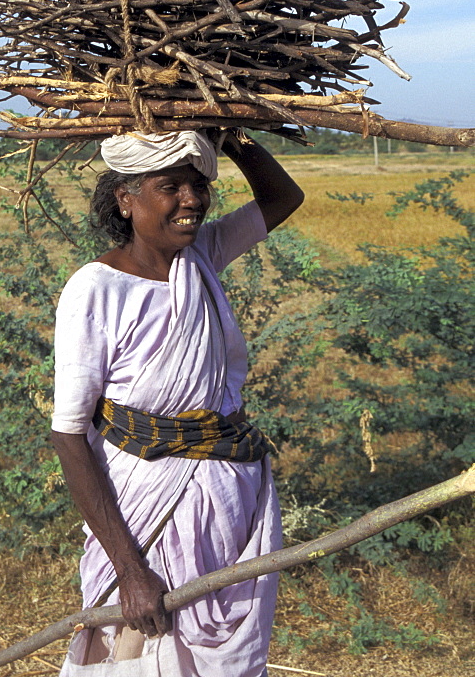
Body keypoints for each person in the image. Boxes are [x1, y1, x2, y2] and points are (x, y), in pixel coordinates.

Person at [51, 129, 304, 676]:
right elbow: (68, 434)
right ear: (126, 197)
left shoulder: (202, 256)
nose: (191, 200)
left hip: (230, 501)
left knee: (220, 657)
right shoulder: (95, 289)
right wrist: (130, 570)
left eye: (199, 185)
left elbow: (283, 199)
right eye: (170, 186)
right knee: (138, 652)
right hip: (144, 506)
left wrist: (233, 133)